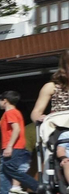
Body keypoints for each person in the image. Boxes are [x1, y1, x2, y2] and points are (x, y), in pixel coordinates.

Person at [0, 91, 38, 194]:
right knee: (3, 170)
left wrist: (9, 146)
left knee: (10, 170)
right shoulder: (7, 114)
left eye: (0, 100)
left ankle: (40, 190)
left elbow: (16, 129)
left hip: (14, 147)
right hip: (11, 147)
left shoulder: (11, 113)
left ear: (5, 101)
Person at [29, 55, 69, 185]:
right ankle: (49, 186)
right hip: (58, 127)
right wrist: (39, 118)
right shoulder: (51, 87)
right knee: (52, 154)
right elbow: (36, 112)